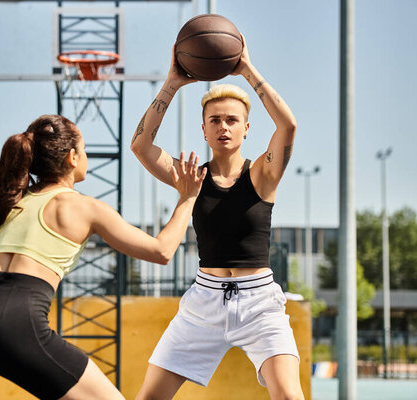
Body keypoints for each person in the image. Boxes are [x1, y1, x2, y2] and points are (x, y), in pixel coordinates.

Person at [0, 114, 206, 400]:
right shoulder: (82, 207)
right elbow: (162, 251)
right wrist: (187, 198)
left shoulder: (9, 202)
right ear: (72, 157)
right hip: (14, 320)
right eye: (85, 149)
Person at [130, 35, 304, 400]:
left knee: (289, 396)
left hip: (260, 305)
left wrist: (246, 69)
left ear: (246, 128)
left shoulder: (262, 174)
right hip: (203, 305)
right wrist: (173, 82)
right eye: (215, 120)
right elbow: (141, 146)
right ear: (204, 129)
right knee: (149, 398)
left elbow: (287, 126)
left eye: (232, 120)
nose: (223, 126)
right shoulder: (190, 176)